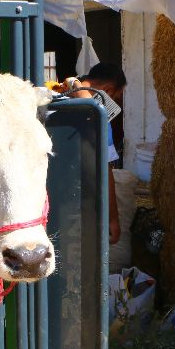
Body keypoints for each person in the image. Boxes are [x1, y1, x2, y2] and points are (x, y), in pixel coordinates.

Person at [55, 62, 127, 245]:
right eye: (116, 97)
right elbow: (105, 169)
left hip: (47, 200)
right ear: (109, 90)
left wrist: (74, 83)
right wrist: (113, 219)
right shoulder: (97, 113)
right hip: (80, 203)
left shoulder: (55, 97)